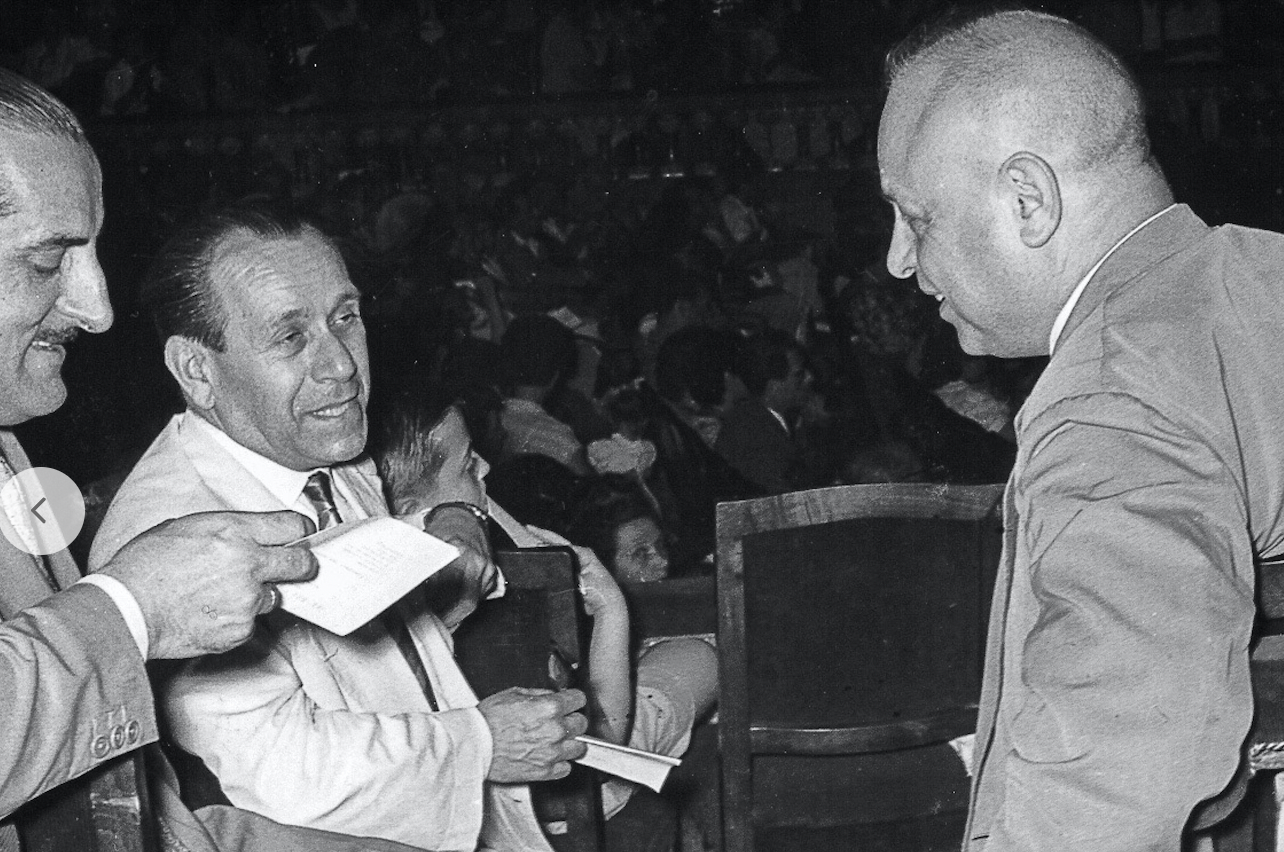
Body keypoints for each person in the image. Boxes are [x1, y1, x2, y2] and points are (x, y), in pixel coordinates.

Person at [878, 9, 1284, 850]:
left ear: (1028, 198)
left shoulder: (1110, 395)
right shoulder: (1260, 272)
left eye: (915, 218)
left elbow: (1114, 772)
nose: (899, 260)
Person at [0, 68, 431, 852]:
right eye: (44, 261)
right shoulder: (175, 512)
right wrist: (133, 610)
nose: (97, 310)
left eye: (347, 319)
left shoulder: (8, 447)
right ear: (196, 371)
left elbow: (130, 801)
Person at [89, 206, 588, 851]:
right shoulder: (170, 534)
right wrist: (481, 742)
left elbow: (355, 572)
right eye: (290, 338)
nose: (343, 367)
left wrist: (453, 516)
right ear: (197, 370)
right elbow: (277, 773)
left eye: (345, 318)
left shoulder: (320, 451)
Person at [374, 394, 717, 837]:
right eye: (466, 466)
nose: (485, 467)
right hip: (566, 794)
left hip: (451, 793)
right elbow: (605, 734)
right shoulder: (506, 574)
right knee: (699, 658)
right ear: (409, 509)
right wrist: (612, 609)